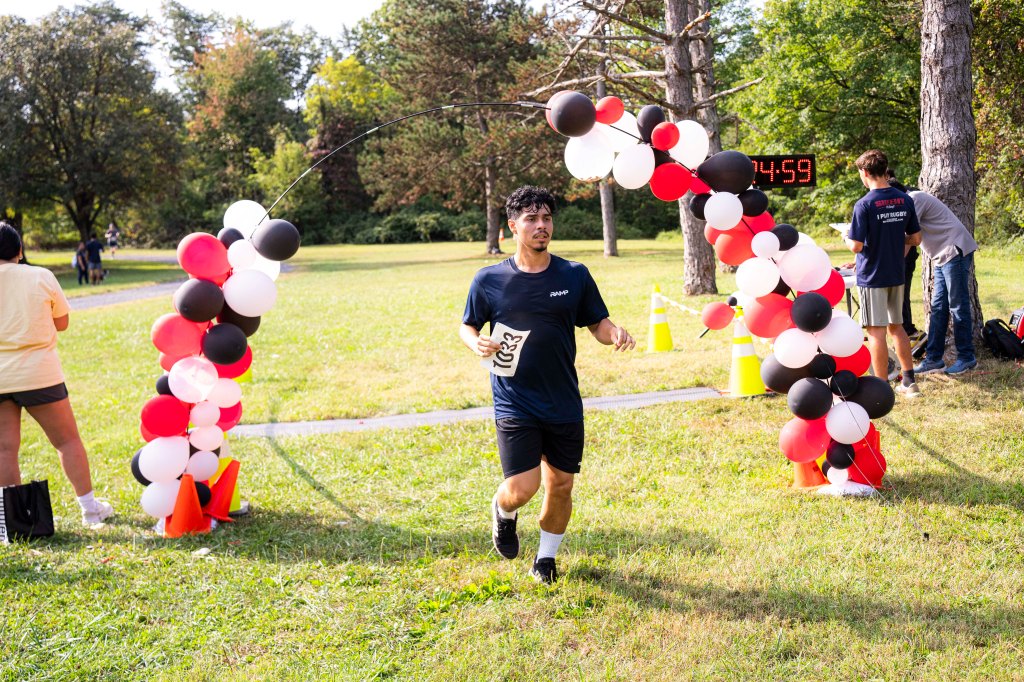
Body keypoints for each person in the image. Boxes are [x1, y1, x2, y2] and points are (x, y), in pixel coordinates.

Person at [460, 186, 635, 584]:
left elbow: (597, 323)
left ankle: (545, 559)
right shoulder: (489, 279)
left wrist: (614, 333)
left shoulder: (574, 275)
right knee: (523, 487)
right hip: (514, 399)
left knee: (561, 485)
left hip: (562, 399)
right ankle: (504, 510)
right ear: (513, 226)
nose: (541, 226)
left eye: (547, 219)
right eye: (532, 219)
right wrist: (475, 342)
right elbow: (467, 325)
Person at [0, 223, 113, 526]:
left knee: (4, 449)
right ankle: (90, 511)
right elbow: (62, 323)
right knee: (66, 441)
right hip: (39, 373)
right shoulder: (40, 275)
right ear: (19, 250)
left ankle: (14, 521)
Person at [846, 150, 922, 396]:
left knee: (876, 333)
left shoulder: (864, 204)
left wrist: (846, 238)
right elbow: (916, 239)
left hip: (872, 276)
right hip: (896, 273)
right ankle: (909, 382)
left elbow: (856, 246)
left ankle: (881, 389)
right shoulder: (905, 199)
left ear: (865, 172)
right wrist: (894, 238)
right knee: (897, 328)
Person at [905, 189, 980, 375]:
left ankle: (967, 358)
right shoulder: (908, 202)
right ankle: (934, 360)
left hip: (953, 251)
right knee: (938, 307)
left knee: (958, 305)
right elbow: (907, 239)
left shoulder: (914, 199)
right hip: (941, 256)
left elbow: (909, 236)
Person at [886, 170, 922, 339]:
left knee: (902, 295)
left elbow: (911, 237)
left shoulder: (911, 200)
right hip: (896, 253)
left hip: (904, 255)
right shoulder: (903, 198)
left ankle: (909, 331)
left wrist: (897, 261)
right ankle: (906, 330)